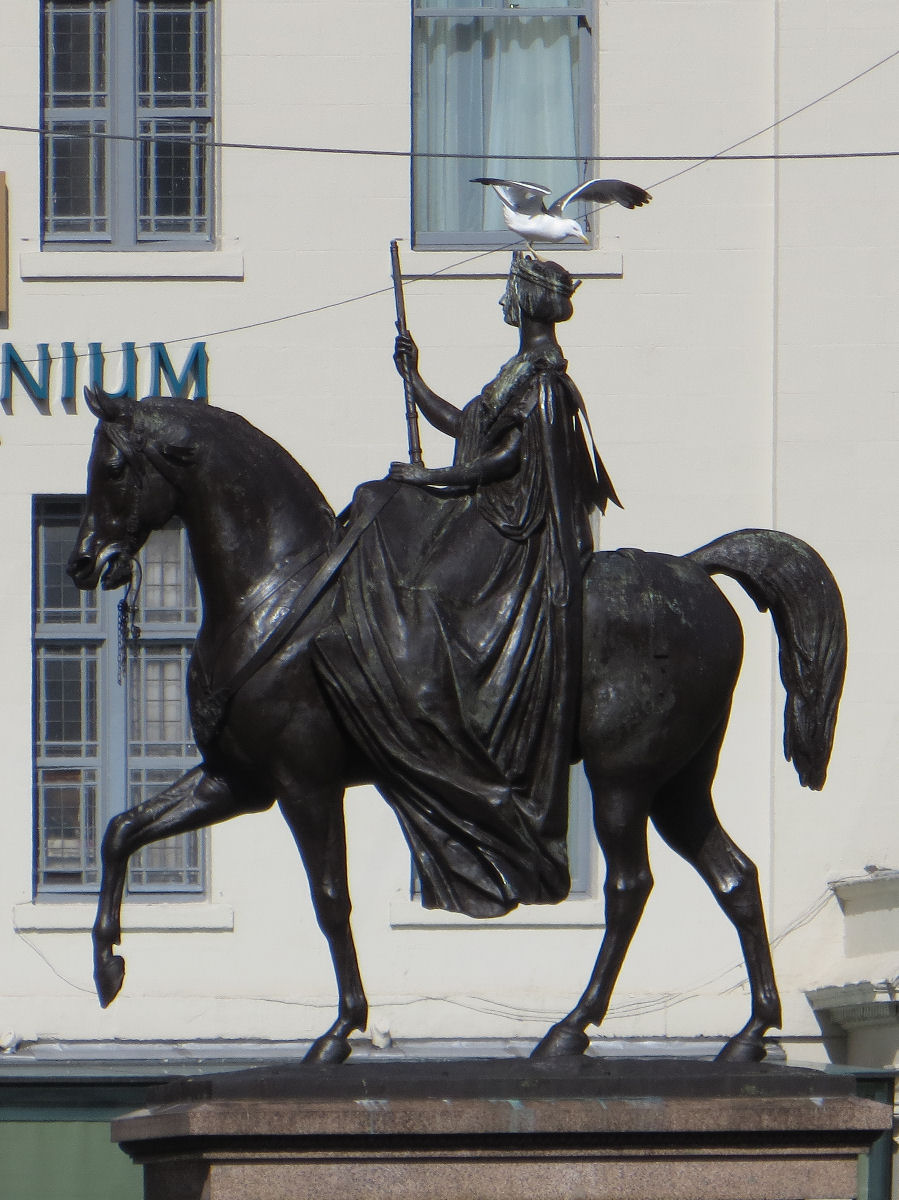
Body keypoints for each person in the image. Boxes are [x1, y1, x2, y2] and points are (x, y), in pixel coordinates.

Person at [313, 253, 620, 917]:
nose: (504, 302)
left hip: (516, 526)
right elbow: (468, 428)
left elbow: (507, 460)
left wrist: (434, 481)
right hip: (491, 510)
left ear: (530, 302)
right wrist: (413, 378)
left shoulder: (543, 380)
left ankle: (445, 713)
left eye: (511, 292)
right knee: (383, 507)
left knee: (421, 587)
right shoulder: (516, 373)